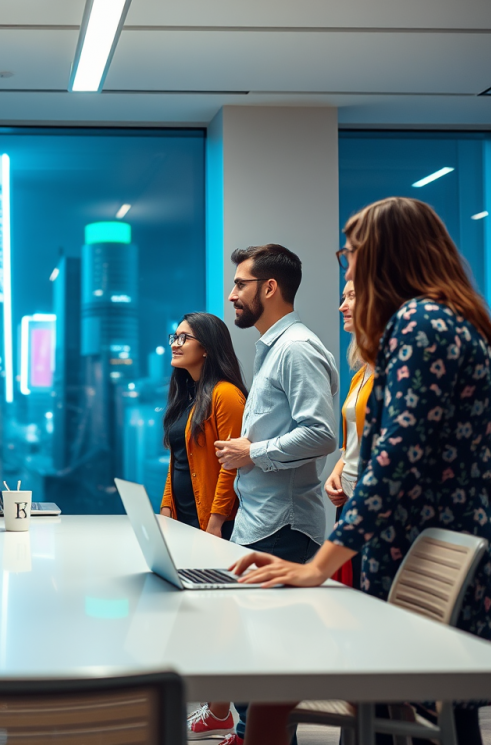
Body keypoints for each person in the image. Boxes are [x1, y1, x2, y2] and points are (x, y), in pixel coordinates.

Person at [229, 198, 491, 745]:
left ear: (385, 255)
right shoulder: (443, 319)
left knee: (424, 716)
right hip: (428, 540)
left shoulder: (418, 323)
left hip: (425, 546)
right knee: (434, 720)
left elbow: (394, 461)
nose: (349, 265)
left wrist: (317, 567)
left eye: (352, 252)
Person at [213, 244, 339, 745]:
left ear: (269, 288)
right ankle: (246, 733)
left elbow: (322, 434)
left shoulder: (297, 348)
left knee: (270, 659)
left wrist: (254, 452)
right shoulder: (273, 347)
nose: (231, 295)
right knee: (253, 650)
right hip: (261, 520)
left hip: (285, 525)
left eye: (240, 285)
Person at [157, 312, 247, 740]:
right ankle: (218, 711)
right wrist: (164, 516)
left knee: (220, 620)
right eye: (174, 336)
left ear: (207, 347)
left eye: (184, 337)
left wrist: (214, 526)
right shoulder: (188, 395)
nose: (175, 343)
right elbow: (178, 465)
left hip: (214, 526)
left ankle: (222, 712)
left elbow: (230, 468)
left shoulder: (225, 395)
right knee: (201, 619)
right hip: (186, 524)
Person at [324, 280, 374, 587]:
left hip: (371, 502)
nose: (342, 306)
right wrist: (338, 469)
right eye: (343, 296)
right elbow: (352, 441)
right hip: (350, 497)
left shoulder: (391, 370)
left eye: (352, 297)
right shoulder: (360, 373)